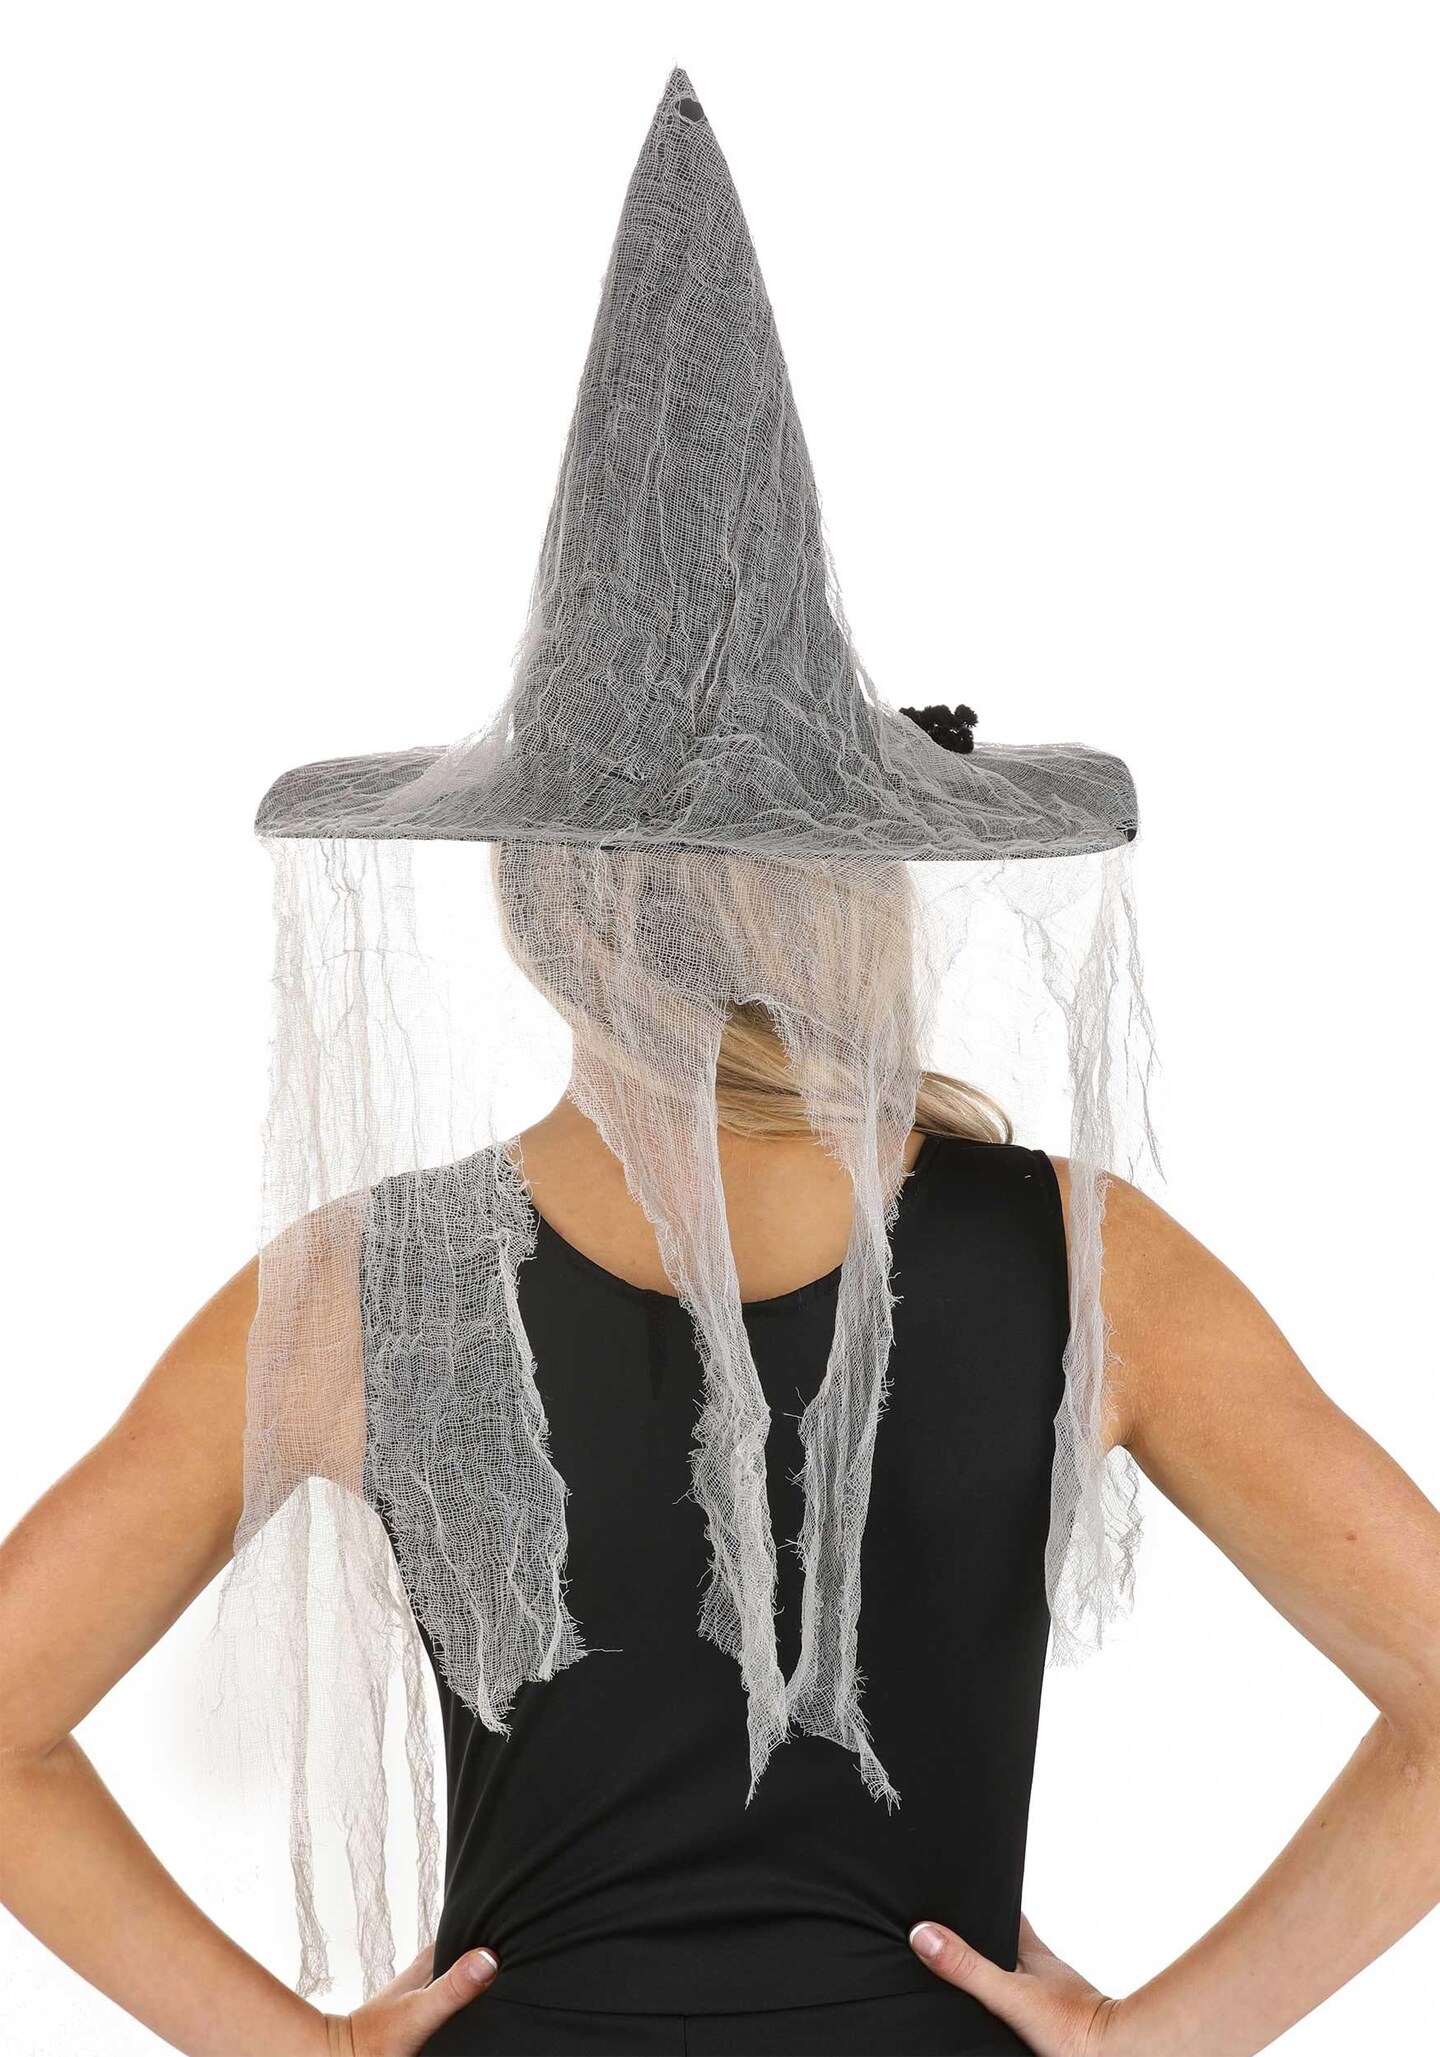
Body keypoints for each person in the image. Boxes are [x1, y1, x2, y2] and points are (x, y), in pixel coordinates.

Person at [4, 64, 1438, 2057]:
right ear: (859, 870)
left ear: (538, 883)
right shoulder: (1091, 1265)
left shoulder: (356, 1290)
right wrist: (1157, 2040)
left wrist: (297, 2050)